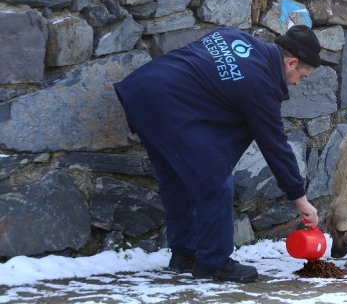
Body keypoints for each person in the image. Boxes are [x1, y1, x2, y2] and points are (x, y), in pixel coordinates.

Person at [113, 25, 322, 283]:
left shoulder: (234, 36)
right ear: (291, 63)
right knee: (217, 183)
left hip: (141, 93)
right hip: (170, 105)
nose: (298, 83)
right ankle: (214, 262)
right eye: (302, 75)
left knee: (176, 180)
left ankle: (184, 254)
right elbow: (274, 145)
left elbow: (205, 74)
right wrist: (300, 198)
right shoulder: (261, 85)